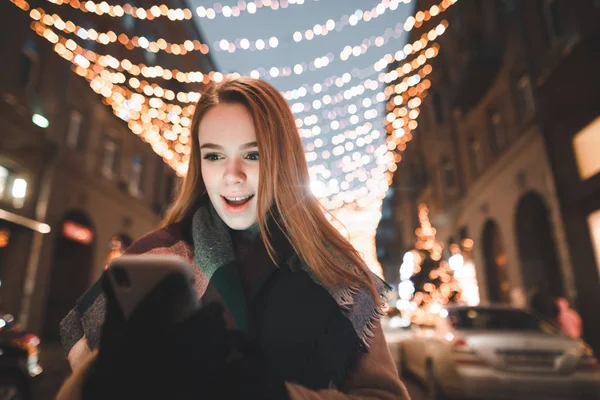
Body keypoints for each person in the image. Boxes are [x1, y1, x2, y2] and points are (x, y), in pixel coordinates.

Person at [56, 77, 409, 400]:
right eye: (214, 156)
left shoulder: (336, 274)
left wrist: (277, 395)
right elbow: (82, 387)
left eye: (252, 155)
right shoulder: (156, 257)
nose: (232, 176)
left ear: (282, 161)